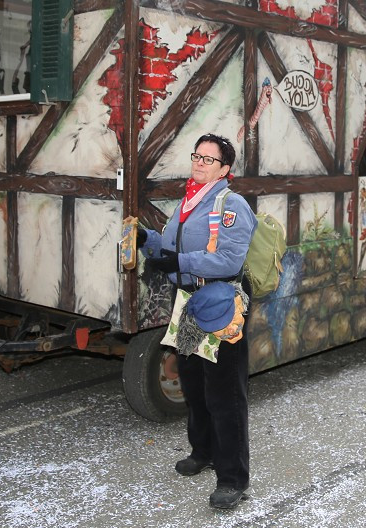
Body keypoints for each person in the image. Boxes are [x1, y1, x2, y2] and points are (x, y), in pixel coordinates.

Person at [137, 134, 255, 510]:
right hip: (187, 301)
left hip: (220, 303)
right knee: (193, 380)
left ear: (224, 169)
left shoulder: (231, 204)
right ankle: (202, 450)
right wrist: (147, 240)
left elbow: (229, 261)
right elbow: (173, 250)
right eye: (197, 156)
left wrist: (180, 263)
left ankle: (233, 478)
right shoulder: (188, 202)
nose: (200, 162)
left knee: (225, 393)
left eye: (209, 159)